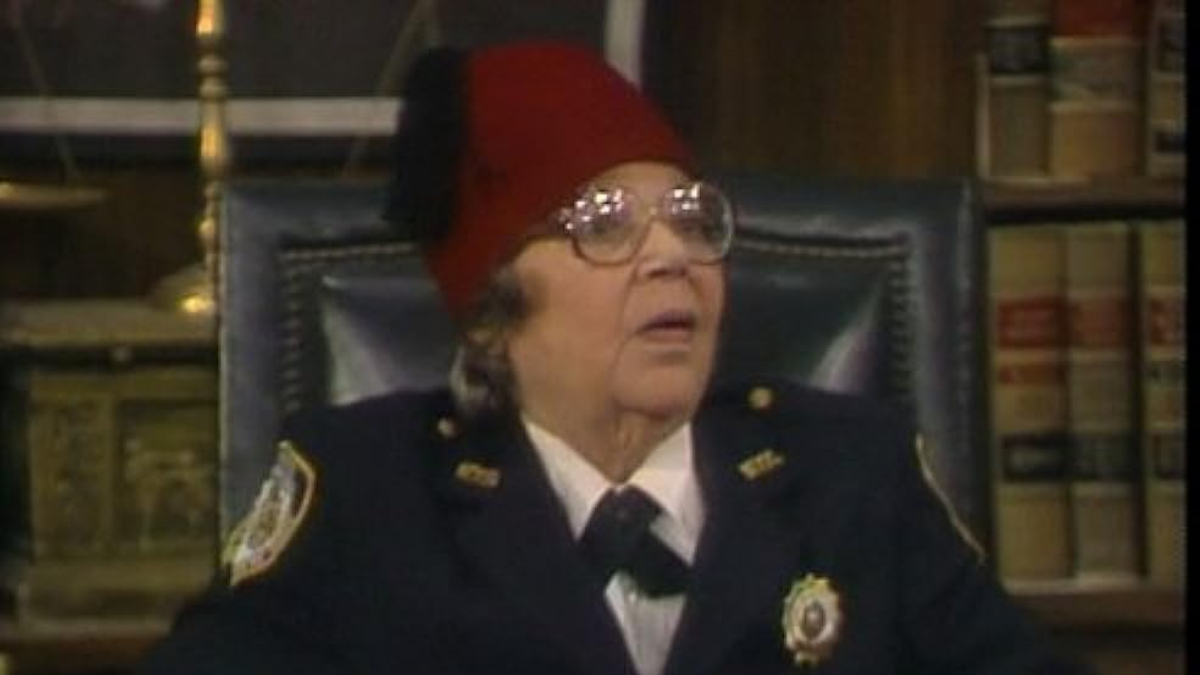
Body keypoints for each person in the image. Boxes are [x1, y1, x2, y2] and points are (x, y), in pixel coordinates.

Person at [139, 40, 1090, 675]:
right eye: (604, 226)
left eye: (691, 218)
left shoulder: (854, 476)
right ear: (492, 313)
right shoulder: (367, 494)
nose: (672, 254)